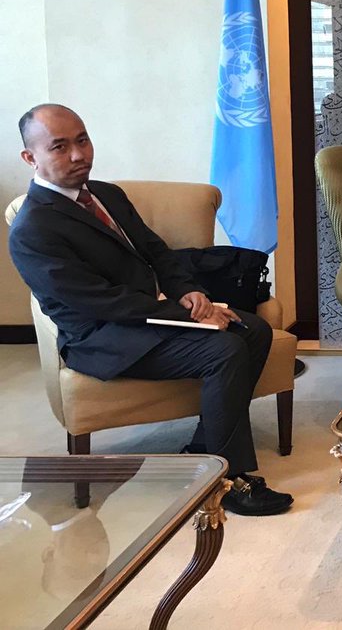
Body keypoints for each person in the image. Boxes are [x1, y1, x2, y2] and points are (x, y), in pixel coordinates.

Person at [7, 104, 292, 516]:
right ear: (30, 157)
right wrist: (187, 315)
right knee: (224, 349)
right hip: (103, 337)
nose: (78, 154)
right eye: (60, 147)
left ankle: (204, 448)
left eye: (83, 140)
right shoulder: (33, 228)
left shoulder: (107, 195)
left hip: (150, 316)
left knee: (255, 329)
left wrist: (189, 292)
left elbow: (158, 252)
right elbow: (97, 301)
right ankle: (227, 481)